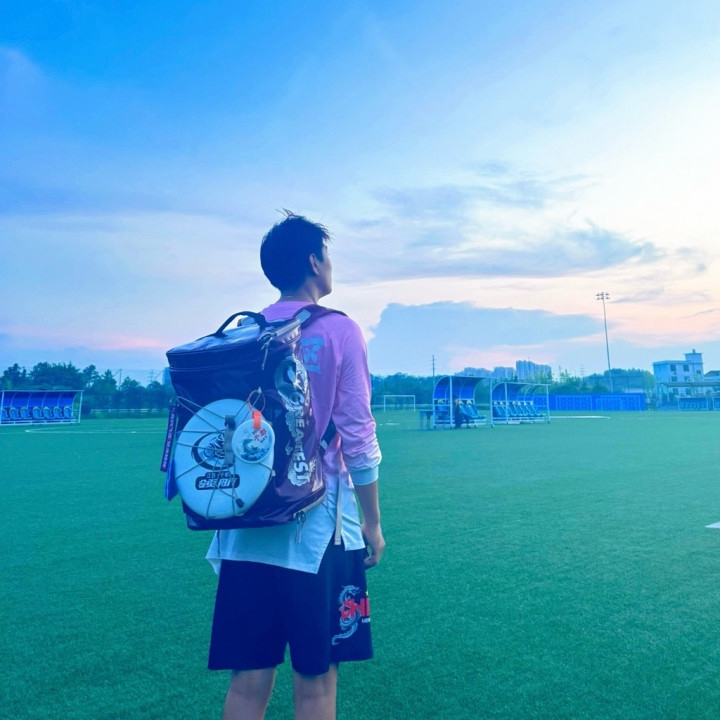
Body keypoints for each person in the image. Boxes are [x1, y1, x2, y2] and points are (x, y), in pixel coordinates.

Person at [205, 212, 385, 720]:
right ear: (314, 261)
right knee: (316, 683)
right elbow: (358, 438)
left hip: (244, 524)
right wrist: (372, 523)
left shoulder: (246, 332)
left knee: (247, 684)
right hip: (316, 529)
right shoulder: (340, 330)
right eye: (327, 255)